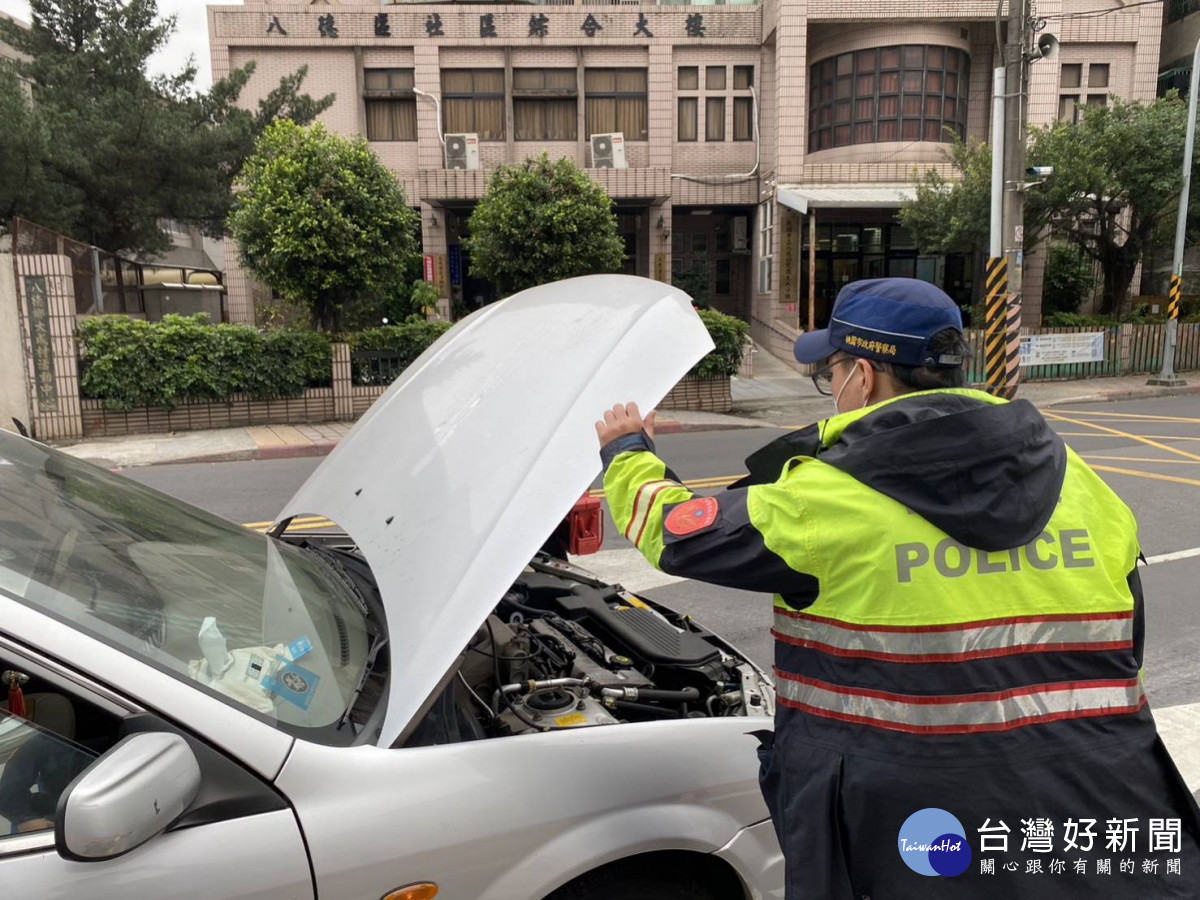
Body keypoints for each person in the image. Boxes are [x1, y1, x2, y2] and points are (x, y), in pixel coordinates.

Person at [595, 277, 1200, 898]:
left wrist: (627, 451)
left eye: (829, 372)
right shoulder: (1080, 479)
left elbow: (676, 534)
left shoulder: (825, 498)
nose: (831, 389)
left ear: (863, 374)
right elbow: (1127, 640)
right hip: (1097, 793)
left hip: (910, 818)